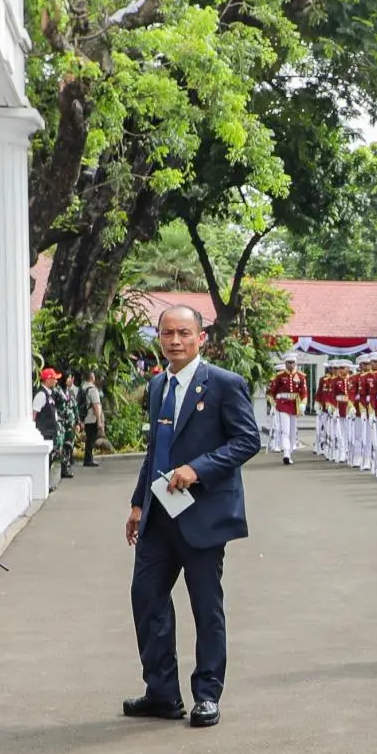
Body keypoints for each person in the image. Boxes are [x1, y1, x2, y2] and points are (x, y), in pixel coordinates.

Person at [125, 304, 261, 726]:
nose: (175, 341)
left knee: (206, 607)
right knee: (147, 600)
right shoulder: (157, 386)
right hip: (158, 517)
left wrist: (197, 469)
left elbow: (247, 440)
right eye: (168, 334)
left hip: (202, 517)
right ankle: (162, 693)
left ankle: (207, 694)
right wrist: (136, 503)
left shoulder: (223, 384)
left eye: (184, 333)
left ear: (201, 338)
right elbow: (155, 451)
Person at [266, 356, 305, 463]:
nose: (291, 365)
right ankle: (286, 453)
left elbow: (304, 393)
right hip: (283, 405)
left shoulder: (301, 376)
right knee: (285, 430)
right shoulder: (280, 376)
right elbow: (271, 393)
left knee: (293, 430)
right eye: (289, 362)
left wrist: (303, 403)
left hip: (294, 404)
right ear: (285, 363)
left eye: (293, 362)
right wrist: (275, 403)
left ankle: (290, 451)